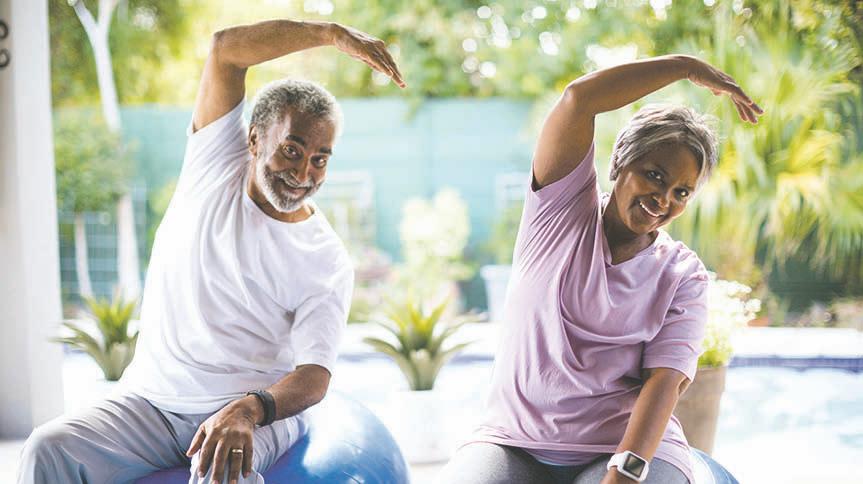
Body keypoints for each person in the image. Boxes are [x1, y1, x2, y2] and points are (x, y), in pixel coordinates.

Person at [18, 18, 404, 484]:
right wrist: (330, 35)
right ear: (254, 139)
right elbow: (225, 51)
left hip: (249, 410)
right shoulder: (214, 162)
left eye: (319, 159)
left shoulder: (326, 258)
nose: (304, 173)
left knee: (222, 472)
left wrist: (250, 409)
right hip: (150, 402)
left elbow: (314, 376)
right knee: (47, 449)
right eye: (292, 150)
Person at [439, 55, 762, 484]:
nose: (663, 199)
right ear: (618, 165)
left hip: (622, 448)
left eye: (681, 192)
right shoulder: (559, 212)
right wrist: (685, 67)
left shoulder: (683, 275)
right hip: (512, 441)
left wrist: (625, 471)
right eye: (654, 175)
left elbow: (664, 383)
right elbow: (579, 99)